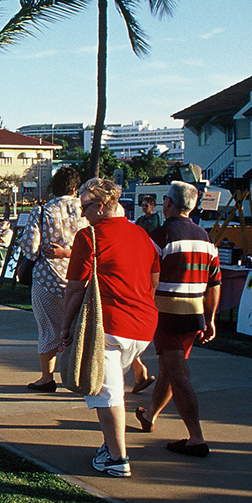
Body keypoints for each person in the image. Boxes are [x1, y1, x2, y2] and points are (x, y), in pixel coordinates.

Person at [62, 178, 160, 478]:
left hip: (108, 325)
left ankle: (118, 458)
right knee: (112, 388)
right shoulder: (142, 234)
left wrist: (64, 328)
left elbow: (76, 289)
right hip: (143, 327)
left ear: (102, 206)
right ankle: (110, 446)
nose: (82, 213)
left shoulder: (88, 236)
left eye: (86, 207)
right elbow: (155, 276)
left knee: (108, 394)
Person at [135, 181, 221, 458]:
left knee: (178, 375)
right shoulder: (206, 239)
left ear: (168, 204)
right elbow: (214, 284)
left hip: (167, 315)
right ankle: (149, 417)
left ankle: (196, 438)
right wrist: (210, 318)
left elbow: (145, 276)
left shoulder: (160, 236)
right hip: (193, 315)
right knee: (170, 368)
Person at [21, 166, 85, 392]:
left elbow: (30, 248)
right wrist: (70, 252)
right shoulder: (86, 210)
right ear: (76, 188)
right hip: (80, 278)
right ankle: (83, 374)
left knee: (48, 328)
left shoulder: (42, 211)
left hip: (48, 279)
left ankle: (47, 377)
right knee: (83, 329)